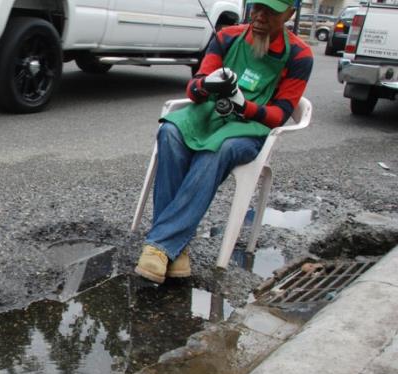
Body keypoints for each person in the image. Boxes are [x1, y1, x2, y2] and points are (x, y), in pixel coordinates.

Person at [134, 0, 313, 284]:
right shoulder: (227, 37)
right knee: (169, 132)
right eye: (257, 6)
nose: (259, 16)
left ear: (289, 13)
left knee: (217, 150)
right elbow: (194, 89)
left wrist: (244, 106)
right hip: (209, 114)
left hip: (249, 129)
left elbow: (280, 115)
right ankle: (175, 248)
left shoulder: (300, 56)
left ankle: (159, 246)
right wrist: (208, 85)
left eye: (271, 11)